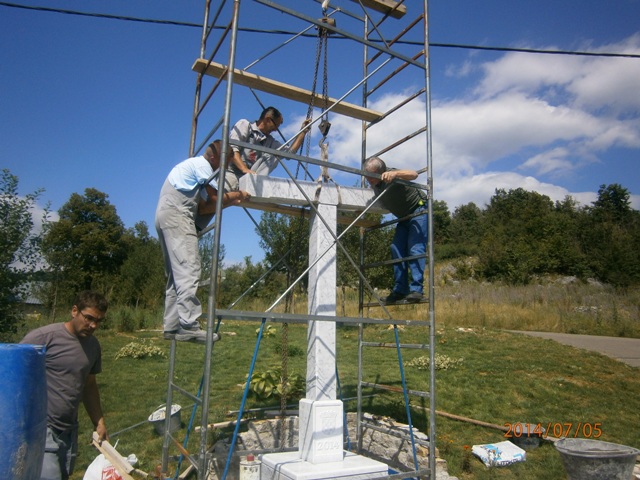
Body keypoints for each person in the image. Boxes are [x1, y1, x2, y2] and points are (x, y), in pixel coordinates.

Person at [155, 140, 250, 342]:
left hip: (166, 216)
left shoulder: (191, 165)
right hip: (178, 217)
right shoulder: (203, 166)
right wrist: (237, 195)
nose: (224, 167)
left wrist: (230, 199)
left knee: (176, 275)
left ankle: (172, 326)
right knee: (189, 269)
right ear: (215, 157)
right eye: (225, 161)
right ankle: (188, 325)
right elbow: (214, 201)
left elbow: (206, 206)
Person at [20, 290, 109, 480]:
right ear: (74, 311)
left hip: (69, 428)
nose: (93, 325)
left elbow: (89, 385)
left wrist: (99, 421)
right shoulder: (43, 338)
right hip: (42, 426)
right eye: (89, 318)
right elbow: (14, 374)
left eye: (98, 321)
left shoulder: (93, 346)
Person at [364, 156, 428, 304]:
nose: (369, 179)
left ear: (381, 172)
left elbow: (414, 174)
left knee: (415, 248)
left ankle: (416, 290)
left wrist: (396, 175)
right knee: (396, 248)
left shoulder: (391, 174)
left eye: (371, 176)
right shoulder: (374, 183)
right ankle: (400, 290)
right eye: (367, 176)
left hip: (418, 209)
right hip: (404, 216)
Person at [226, 106, 311, 191]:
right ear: (267, 120)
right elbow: (232, 148)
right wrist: (244, 169)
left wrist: (303, 132)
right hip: (232, 172)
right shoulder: (245, 125)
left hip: (251, 177)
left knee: (274, 153)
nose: (276, 130)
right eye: (275, 125)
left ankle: (257, 184)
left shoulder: (270, 141)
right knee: (220, 198)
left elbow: (289, 153)